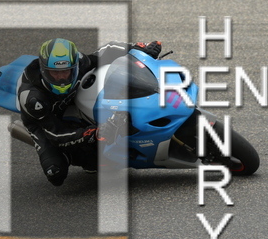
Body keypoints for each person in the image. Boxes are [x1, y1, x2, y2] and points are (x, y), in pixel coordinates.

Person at [16, 38, 161, 186]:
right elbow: (56, 134)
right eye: (54, 73)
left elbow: (108, 50)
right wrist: (93, 133)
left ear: (75, 67)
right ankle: (71, 155)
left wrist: (139, 48)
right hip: (45, 122)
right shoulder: (33, 99)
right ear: (44, 71)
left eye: (66, 72)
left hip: (70, 102)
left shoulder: (80, 61)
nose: (61, 78)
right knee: (56, 173)